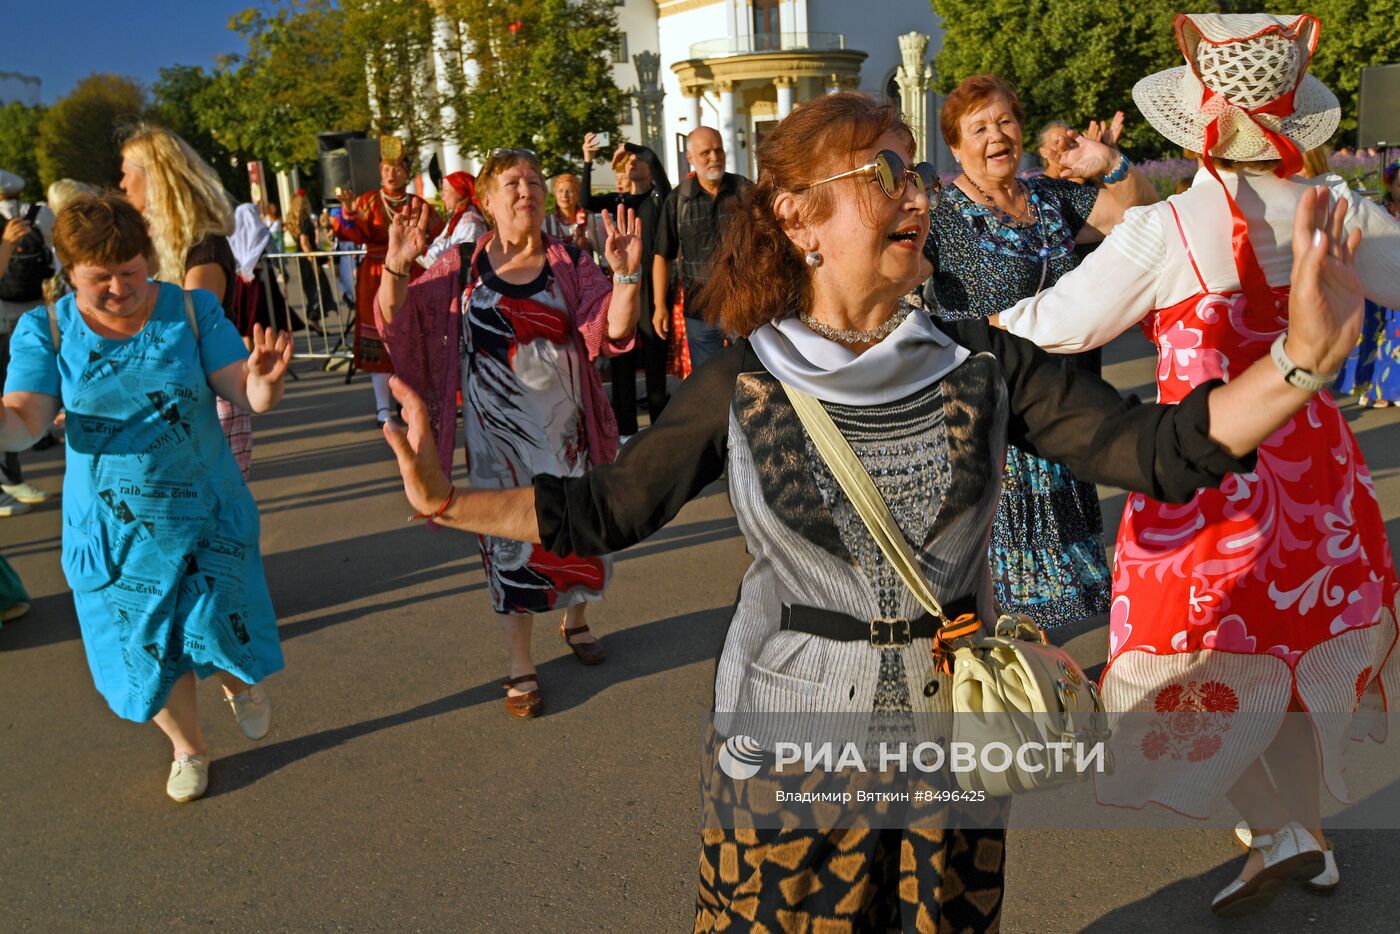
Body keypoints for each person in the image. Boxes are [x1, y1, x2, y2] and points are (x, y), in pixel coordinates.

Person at [378, 92, 1367, 932]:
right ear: (797, 217)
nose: (916, 194)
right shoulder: (748, 380)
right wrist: (443, 497)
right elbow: (607, 507)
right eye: (882, 172)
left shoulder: (979, 362)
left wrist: (1296, 365)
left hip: (951, 747)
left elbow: (1157, 452)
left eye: (914, 173)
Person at [995, 14, 1400, 913]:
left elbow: (1051, 328)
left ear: (1199, 123)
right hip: (1319, 481)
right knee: (1284, 659)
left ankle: (1284, 827)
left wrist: (941, 346)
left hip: (1204, 472)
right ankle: (1304, 837)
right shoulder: (1341, 210)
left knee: (1172, 669)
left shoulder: (1168, 228)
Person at [1, 194, 293, 802]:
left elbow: (243, 389)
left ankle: (238, 680)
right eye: (98, 279)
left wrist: (262, 386)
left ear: (149, 258)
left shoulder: (191, 310)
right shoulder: (47, 328)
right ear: (67, 273)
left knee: (217, 621)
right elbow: (26, 420)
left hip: (203, 515)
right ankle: (188, 748)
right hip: (114, 530)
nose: (118, 289)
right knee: (146, 647)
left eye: (131, 272)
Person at [373, 150, 644, 719]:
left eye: (536, 182)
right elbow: (400, 324)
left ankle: (577, 620)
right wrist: (397, 268)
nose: (527, 190)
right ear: (489, 201)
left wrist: (625, 277)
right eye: (513, 183)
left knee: (577, 532)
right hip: (496, 444)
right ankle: (521, 662)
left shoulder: (570, 259)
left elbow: (612, 328)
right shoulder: (461, 263)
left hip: (566, 434)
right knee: (508, 547)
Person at [922, 74, 1158, 630]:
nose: (995, 135)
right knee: (988, 588)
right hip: (986, 418)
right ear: (955, 147)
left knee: (1051, 597)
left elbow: (1142, 216)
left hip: (1062, 403)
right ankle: (998, 698)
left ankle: (1044, 693)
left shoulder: (1050, 197)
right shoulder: (939, 215)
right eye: (977, 128)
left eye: (1004, 121)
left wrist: (1109, 162)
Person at [121, 125, 255, 478]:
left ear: (154, 178)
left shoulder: (203, 246)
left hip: (202, 397)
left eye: (125, 174)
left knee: (208, 517)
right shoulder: (159, 246)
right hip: (168, 393)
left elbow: (188, 329)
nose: (120, 185)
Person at [331, 143, 442, 425]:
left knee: (410, 338)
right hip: (375, 275)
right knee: (377, 339)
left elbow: (439, 234)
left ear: (406, 173)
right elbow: (352, 234)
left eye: (397, 168)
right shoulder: (367, 201)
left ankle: (411, 403)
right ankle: (382, 407)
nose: (391, 173)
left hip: (410, 274)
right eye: (386, 168)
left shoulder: (417, 204)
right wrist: (348, 213)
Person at [580, 135, 672, 437]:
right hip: (624, 288)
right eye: (628, 162)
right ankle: (625, 430)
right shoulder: (619, 200)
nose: (632, 163)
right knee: (622, 361)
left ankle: (659, 429)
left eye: (637, 162)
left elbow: (652, 159)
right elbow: (585, 202)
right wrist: (588, 161)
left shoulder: (660, 198)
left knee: (655, 363)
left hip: (653, 290)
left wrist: (630, 149)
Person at [654, 126, 753, 370]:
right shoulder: (677, 202)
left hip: (744, 306)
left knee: (753, 379)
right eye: (705, 153)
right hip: (700, 311)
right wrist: (660, 306)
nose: (714, 158)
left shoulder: (746, 192)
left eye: (718, 150)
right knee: (710, 383)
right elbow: (662, 256)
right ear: (690, 158)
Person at [0, 170, 56, 515]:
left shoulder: (37, 216)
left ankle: (9, 479)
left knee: (13, 395)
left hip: (23, 313)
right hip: (7, 315)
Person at [1334, 158, 1400, 406]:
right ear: (1389, 186)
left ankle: (1392, 389)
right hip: (1376, 284)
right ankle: (1369, 388)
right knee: (1375, 337)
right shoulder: (1378, 212)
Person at [285, 190, 336, 326]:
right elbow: (304, 243)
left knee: (313, 288)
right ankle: (314, 319)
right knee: (317, 288)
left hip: (304, 258)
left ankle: (316, 321)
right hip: (308, 258)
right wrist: (313, 261)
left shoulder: (299, 220)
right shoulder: (304, 221)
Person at [419, 171, 488, 269]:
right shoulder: (457, 218)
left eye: (445, 190)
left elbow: (460, 261)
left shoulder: (470, 223)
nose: (442, 195)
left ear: (460, 192)